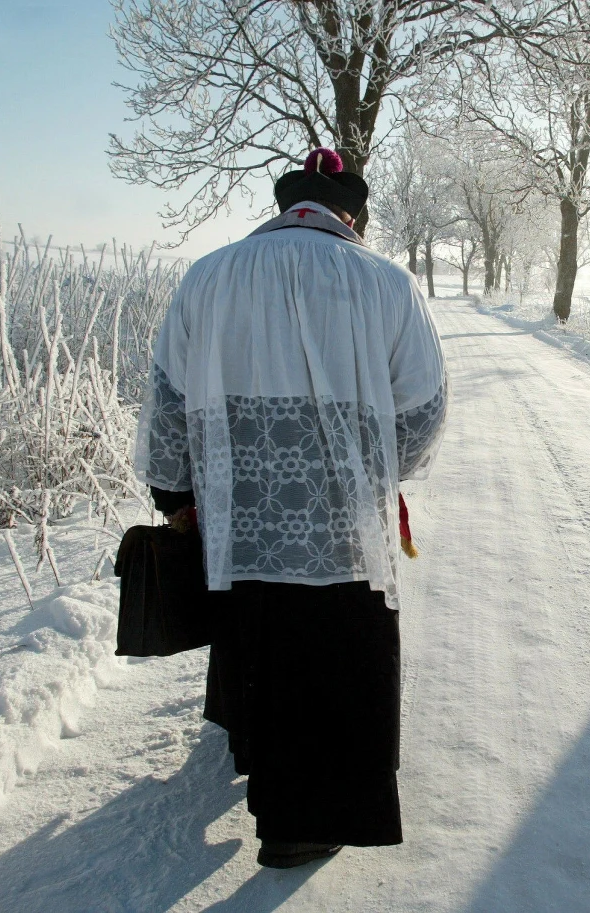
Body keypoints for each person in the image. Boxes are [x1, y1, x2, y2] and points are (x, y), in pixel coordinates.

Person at [137, 147, 449, 869]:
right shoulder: (386, 282)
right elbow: (427, 405)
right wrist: (376, 471)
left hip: (238, 511)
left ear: (288, 206)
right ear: (349, 213)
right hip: (343, 526)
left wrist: (179, 492)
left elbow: (168, 399)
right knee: (335, 653)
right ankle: (302, 823)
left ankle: (257, 756)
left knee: (262, 638)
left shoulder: (208, 275)